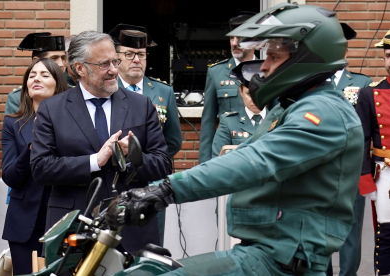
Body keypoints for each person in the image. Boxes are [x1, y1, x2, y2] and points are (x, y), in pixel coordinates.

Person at [108, 4, 364, 276]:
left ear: (306, 58)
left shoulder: (323, 112)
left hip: (283, 260)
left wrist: (165, 190)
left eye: (274, 56)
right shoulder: (291, 107)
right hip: (263, 250)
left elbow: (255, 161)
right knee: (144, 270)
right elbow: (240, 155)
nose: (263, 66)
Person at [30, 30, 172, 254]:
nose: (114, 70)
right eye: (104, 64)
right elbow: (41, 168)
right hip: (74, 228)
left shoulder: (141, 105)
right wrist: (94, 161)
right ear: (80, 68)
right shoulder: (52, 109)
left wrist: (135, 157)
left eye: (115, 61)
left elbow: (163, 163)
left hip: (133, 229)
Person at [2, 58, 69, 275]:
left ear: (57, 84)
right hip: (23, 222)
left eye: (44, 75)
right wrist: (31, 149)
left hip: (63, 218)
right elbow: (10, 176)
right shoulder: (13, 123)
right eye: (31, 76)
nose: (36, 79)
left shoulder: (74, 123)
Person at [356, 29, 390, 275]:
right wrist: (364, 176)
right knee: (387, 232)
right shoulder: (369, 93)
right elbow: (362, 138)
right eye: (389, 55)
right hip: (387, 170)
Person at [326, 23, 372, 276]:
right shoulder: (310, 82)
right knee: (319, 228)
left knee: (351, 228)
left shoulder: (362, 82)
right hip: (318, 167)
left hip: (350, 166)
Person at [109, 24, 182, 158]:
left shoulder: (164, 91)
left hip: (151, 172)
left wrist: (151, 163)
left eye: (141, 55)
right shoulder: (107, 89)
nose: (136, 60)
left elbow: (173, 141)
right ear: (116, 58)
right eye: (129, 54)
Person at [198, 12, 256, 164]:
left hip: (260, 149)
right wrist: (205, 165)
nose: (234, 43)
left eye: (240, 38)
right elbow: (208, 122)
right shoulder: (216, 72)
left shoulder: (268, 70)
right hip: (228, 154)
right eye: (231, 38)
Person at [5, 32, 73, 116]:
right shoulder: (17, 98)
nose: (61, 64)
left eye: (63, 58)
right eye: (54, 58)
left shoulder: (73, 92)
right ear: (35, 61)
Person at [212, 60, 270, 157]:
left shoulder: (278, 121)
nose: (254, 100)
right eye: (249, 94)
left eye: (259, 93)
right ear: (241, 92)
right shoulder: (228, 123)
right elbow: (216, 162)